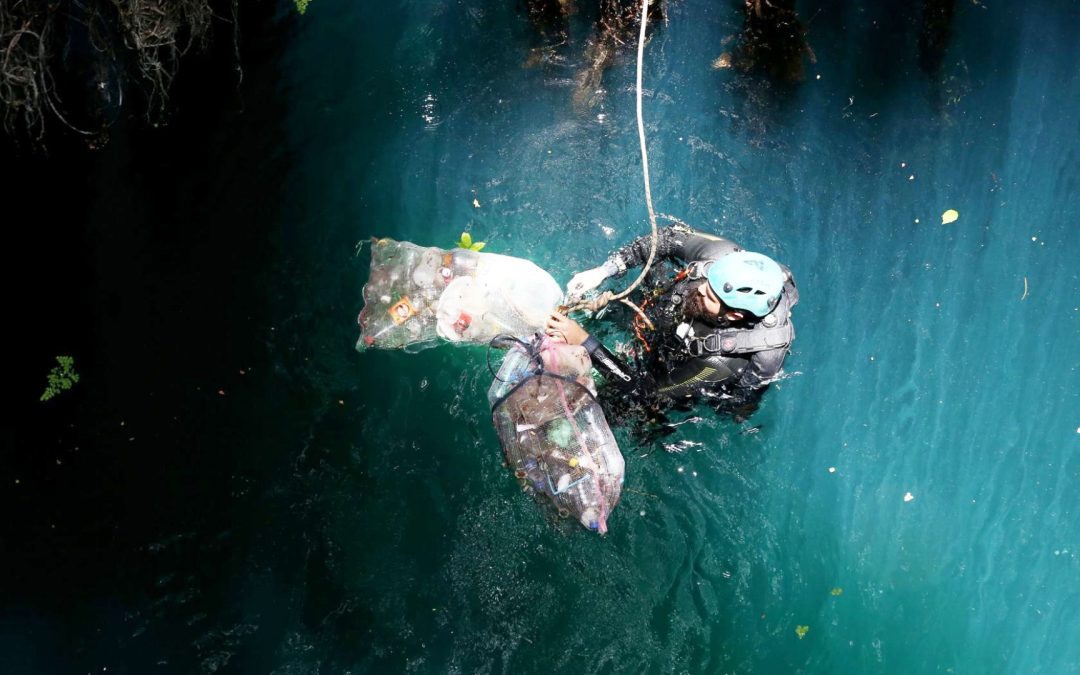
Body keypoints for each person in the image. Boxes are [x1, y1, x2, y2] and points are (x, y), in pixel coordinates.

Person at [545, 223, 798, 424]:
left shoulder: (720, 362)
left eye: (710, 295)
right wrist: (604, 271)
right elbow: (665, 239)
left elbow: (647, 392)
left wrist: (587, 344)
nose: (699, 290)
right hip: (679, 321)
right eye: (707, 282)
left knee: (628, 408)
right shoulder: (720, 255)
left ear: (733, 315)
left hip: (684, 368)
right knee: (660, 282)